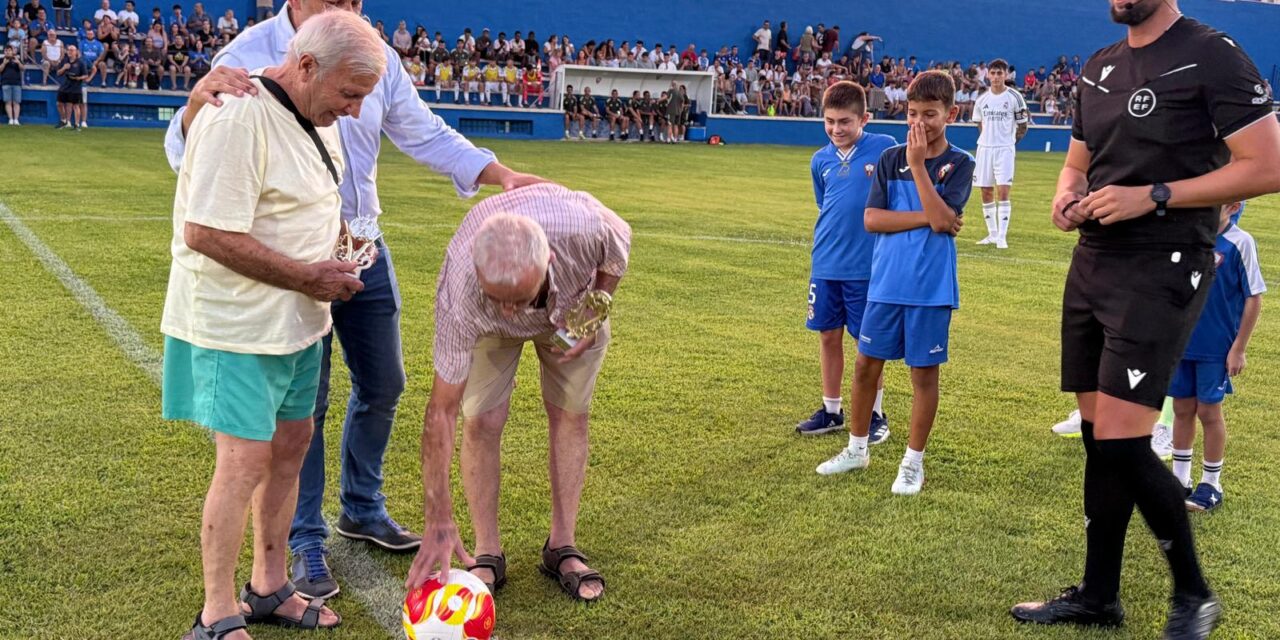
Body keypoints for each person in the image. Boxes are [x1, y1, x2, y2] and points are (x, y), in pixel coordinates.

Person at [162, 0, 546, 601]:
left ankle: (358, 509)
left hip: (355, 244)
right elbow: (194, 169)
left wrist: (496, 172)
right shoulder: (243, 64)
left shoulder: (368, 63)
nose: (352, 7)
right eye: (339, 0)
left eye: (359, 0)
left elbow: (423, 131)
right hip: (270, 279)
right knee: (288, 422)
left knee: (380, 385)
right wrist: (191, 110)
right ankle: (301, 542)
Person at [1010, 0, 1280, 636]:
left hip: (1165, 263)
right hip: (1093, 261)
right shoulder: (1100, 65)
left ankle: (1194, 593)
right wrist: (1065, 195)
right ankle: (1098, 596)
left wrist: (1153, 195)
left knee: (1125, 442)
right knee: (1096, 436)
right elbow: (1078, 160)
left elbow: (1266, 166)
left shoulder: (1213, 53)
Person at [161, 11, 385, 639]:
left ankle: (267, 587)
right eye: (350, 95)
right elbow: (204, 231)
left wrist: (336, 250)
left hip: (299, 323)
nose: (355, 110)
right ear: (306, 66)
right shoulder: (238, 113)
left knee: (289, 453)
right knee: (243, 462)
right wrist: (307, 277)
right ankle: (216, 614)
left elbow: (303, 200)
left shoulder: (317, 111)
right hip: (237, 326)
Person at [404, 184, 631, 603]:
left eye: (518, 299)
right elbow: (442, 411)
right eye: (500, 299)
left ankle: (561, 546)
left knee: (570, 414)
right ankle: (487, 552)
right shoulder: (461, 289)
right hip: (485, 329)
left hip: (571, 306)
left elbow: (621, 239)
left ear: (549, 260)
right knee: (482, 420)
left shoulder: (582, 227)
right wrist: (437, 515)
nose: (511, 311)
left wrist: (594, 309)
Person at [815, 70, 973, 497]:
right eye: (912, 113)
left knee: (923, 374)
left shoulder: (960, 163)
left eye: (930, 114)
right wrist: (930, 218)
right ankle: (856, 448)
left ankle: (912, 462)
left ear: (951, 114)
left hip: (929, 288)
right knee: (866, 366)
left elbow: (946, 219)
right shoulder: (888, 159)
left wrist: (920, 166)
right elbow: (873, 220)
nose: (919, 123)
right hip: (883, 283)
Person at [795, 81, 898, 442]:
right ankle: (832, 411)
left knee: (866, 343)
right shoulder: (819, 160)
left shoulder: (884, 148)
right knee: (827, 335)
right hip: (825, 263)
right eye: (829, 122)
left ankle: (875, 415)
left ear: (864, 118)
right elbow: (825, 206)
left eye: (845, 122)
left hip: (865, 267)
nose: (837, 129)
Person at [1168, 201, 1262, 512]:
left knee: (1209, 413)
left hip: (1215, 349)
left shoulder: (1241, 243)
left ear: (1232, 207)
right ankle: (1179, 480)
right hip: (1182, 345)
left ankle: (1211, 483)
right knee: (1182, 409)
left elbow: (1253, 299)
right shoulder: (1189, 239)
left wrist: (1238, 348)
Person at [972, 59, 1028, 249]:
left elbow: (1023, 125)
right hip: (985, 149)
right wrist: (988, 139)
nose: (996, 77)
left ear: (1006, 75)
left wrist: (1010, 143)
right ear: (988, 75)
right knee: (986, 190)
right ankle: (992, 234)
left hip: (1004, 149)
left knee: (1003, 191)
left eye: (999, 73)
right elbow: (979, 123)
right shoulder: (981, 99)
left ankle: (1002, 236)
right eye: (993, 73)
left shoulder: (1014, 97)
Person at [54, 43, 87, 129]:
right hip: (65, 85)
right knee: (59, 103)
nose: (70, 52)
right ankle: (64, 120)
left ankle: (76, 124)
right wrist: (64, 68)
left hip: (75, 87)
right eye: (68, 50)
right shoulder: (64, 60)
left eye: (72, 50)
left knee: (76, 106)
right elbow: (58, 73)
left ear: (76, 52)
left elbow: (85, 75)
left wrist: (78, 78)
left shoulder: (80, 63)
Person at [1, 43, 20, 124]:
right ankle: (11, 119)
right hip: (5, 83)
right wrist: (4, 63)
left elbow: (23, 69)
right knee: (8, 102)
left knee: (16, 102)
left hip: (17, 83)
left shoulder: (16, 59)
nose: (8, 52)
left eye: (9, 50)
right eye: (6, 51)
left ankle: (16, 120)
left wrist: (18, 63)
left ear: (12, 51)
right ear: (4, 52)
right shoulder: (1, 60)